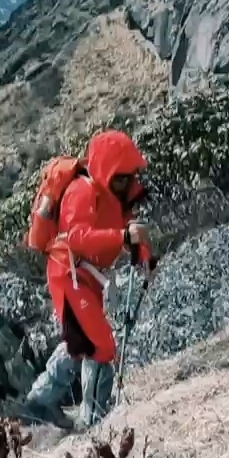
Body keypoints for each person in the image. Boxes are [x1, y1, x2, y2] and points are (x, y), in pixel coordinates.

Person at [35, 130, 154, 429]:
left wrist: (144, 256)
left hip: (87, 276)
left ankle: (40, 401)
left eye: (130, 175)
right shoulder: (82, 190)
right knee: (101, 345)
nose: (129, 182)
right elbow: (77, 238)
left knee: (81, 342)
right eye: (123, 176)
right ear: (108, 169)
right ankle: (96, 422)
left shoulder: (115, 192)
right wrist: (123, 237)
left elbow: (129, 225)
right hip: (69, 274)